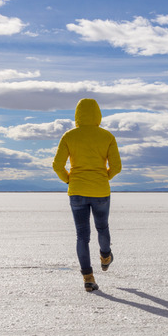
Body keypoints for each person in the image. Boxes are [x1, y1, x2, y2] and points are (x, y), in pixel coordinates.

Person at [52, 98, 122, 292]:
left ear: (77, 114)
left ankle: (88, 278)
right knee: (102, 227)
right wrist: (103, 177)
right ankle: (105, 256)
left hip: (77, 191)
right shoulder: (107, 136)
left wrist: (69, 179)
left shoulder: (69, 136)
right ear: (98, 114)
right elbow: (116, 167)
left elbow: (57, 166)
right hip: (100, 191)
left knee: (82, 236)